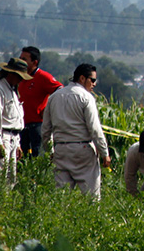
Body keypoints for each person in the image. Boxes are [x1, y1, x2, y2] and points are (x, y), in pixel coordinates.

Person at [42, 63, 110, 201]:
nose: (94, 84)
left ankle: (59, 221)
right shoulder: (86, 97)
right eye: (93, 80)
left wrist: (49, 150)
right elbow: (94, 129)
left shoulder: (54, 97)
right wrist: (104, 153)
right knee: (91, 196)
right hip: (82, 149)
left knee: (60, 197)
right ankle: (91, 221)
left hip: (60, 149)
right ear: (82, 78)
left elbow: (46, 129)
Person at [0, 57, 32, 187]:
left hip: (13, 138)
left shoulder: (12, 90)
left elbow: (15, 120)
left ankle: (4, 205)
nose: (21, 80)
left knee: (10, 179)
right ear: (11, 74)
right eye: (19, 76)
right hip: (2, 137)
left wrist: (18, 144)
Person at [17, 46, 63, 157]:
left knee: (38, 157)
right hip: (21, 125)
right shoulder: (18, 76)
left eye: (25, 59)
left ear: (34, 62)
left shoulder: (43, 77)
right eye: (20, 58)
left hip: (37, 126)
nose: (21, 61)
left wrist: (49, 109)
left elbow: (61, 91)